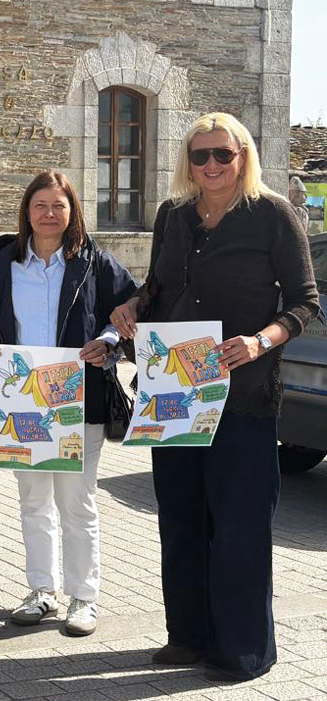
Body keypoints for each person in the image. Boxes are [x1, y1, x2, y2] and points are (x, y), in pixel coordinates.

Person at [110, 113, 320, 680]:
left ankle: (242, 649)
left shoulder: (272, 215)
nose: (210, 166)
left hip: (243, 392)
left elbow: (304, 303)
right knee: (179, 515)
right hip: (173, 387)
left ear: (243, 155)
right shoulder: (173, 216)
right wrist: (134, 305)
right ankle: (188, 636)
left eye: (221, 155)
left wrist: (260, 341)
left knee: (239, 523)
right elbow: (160, 286)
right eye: (200, 155)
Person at [0, 170, 137, 636]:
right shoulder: (0, 261)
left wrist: (110, 341)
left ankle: (84, 599)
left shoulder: (95, 262)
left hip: (80, 399)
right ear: (27, 211)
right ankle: (41, 591)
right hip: (21, 401)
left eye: (59, 205)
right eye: (40, 205)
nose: (49, 214)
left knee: (78, 503)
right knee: (33, 500)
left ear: (72, 210)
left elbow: (130, 310)